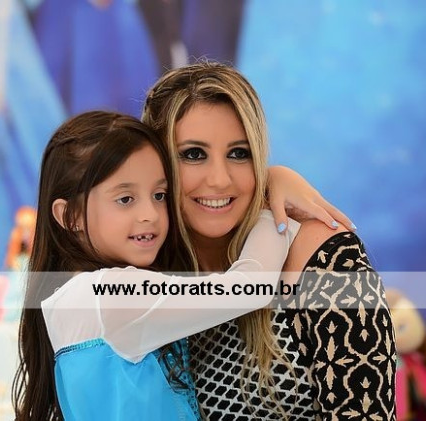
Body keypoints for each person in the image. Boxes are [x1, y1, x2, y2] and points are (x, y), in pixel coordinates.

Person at [142, 62, 397, 420]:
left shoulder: (321, 254)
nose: (220, 179)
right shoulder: (138, 272)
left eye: (239, 153)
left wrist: (273, 180)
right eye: (194, 154)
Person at [12, 111, 300, 420]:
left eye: (159, 195)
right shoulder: (108, 297)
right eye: (125, 199)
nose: (150, 214)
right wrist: (271, 206)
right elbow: (249, 288)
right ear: (71, 216)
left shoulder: (74, 300)